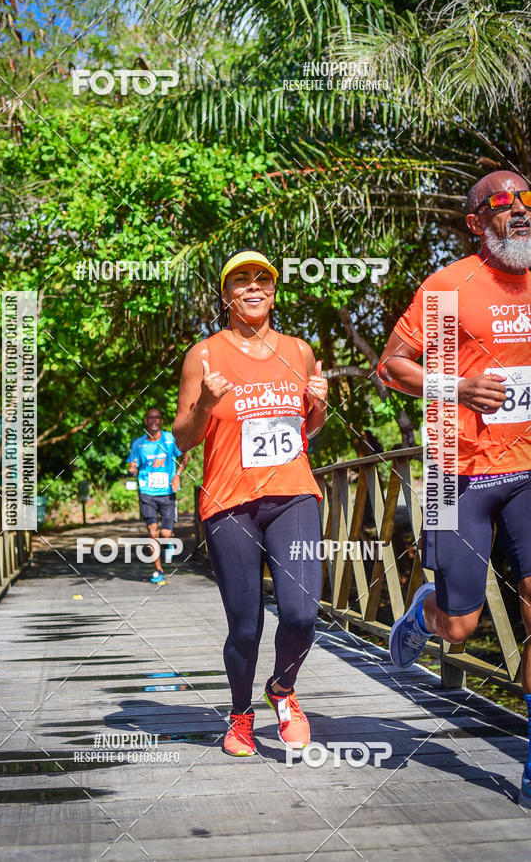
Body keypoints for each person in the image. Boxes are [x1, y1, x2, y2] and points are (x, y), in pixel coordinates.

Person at [377, 170, 531, 805]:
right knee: (461, 626)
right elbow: (391, 366)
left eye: (529, 199)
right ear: (477, 222)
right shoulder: (449, 286)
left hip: (527, 470)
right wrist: (458, 388)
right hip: (455, 472)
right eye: (504, 202)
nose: (520, 210)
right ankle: (424, 609)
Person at [173, 248, 328, 756]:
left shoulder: (299, 351)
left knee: (302, 613)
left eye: (263, 278)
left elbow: (306, 428)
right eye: (241, 280)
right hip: (229, 502)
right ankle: (240, 715)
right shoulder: (204, 355)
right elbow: (184, 438)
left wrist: (321, 405)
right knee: (245, 624)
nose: (253, 287)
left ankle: (282, 690)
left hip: (294, 495)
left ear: (275, 290)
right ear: (226, 294)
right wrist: (207, 404)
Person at [127, 408, 189, 584]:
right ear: (146, 421)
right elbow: (133, 465)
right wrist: (132, 469)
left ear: (161, 421)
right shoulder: (138, 444)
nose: (154, 420)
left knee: (165, 533)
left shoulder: (170, 440)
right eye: (150, 418)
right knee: (153, 533)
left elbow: (185, 457)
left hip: (167, 492)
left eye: (157, 418)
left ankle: (168, 541)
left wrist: (178, 475)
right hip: (147, 492)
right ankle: (159, 570)